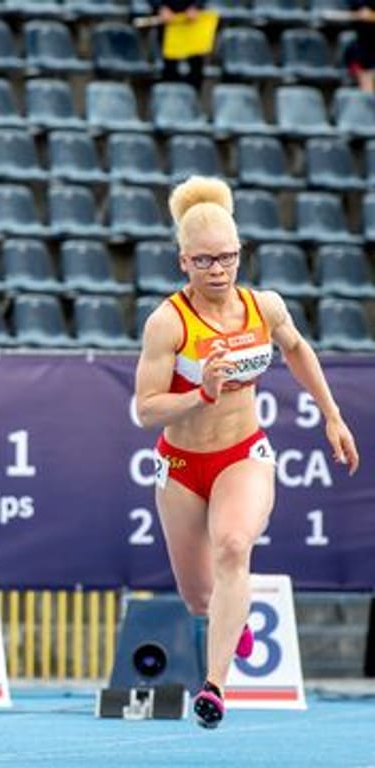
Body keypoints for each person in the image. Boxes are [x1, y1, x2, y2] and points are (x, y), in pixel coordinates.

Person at [134, 176, 360, 729]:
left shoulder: (265, 306)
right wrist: (200, 394)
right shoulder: (168, 322)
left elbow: (299, 350)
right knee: (197, 598)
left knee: (234, 546)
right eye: (206, 260)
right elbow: (145, 409)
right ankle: (231, 620)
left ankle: (213, 688)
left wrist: (332, 415)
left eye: (229, 258)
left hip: (243, 453)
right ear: (183, 261)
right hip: (183, 466)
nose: (219, 270)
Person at [150, 0, 208, 91]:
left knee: (196, 64)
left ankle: (194, 98)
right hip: (167, 21)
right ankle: (169, 98)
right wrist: (160, 7)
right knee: (169, 64)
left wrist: (196, 6)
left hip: (193, 20)